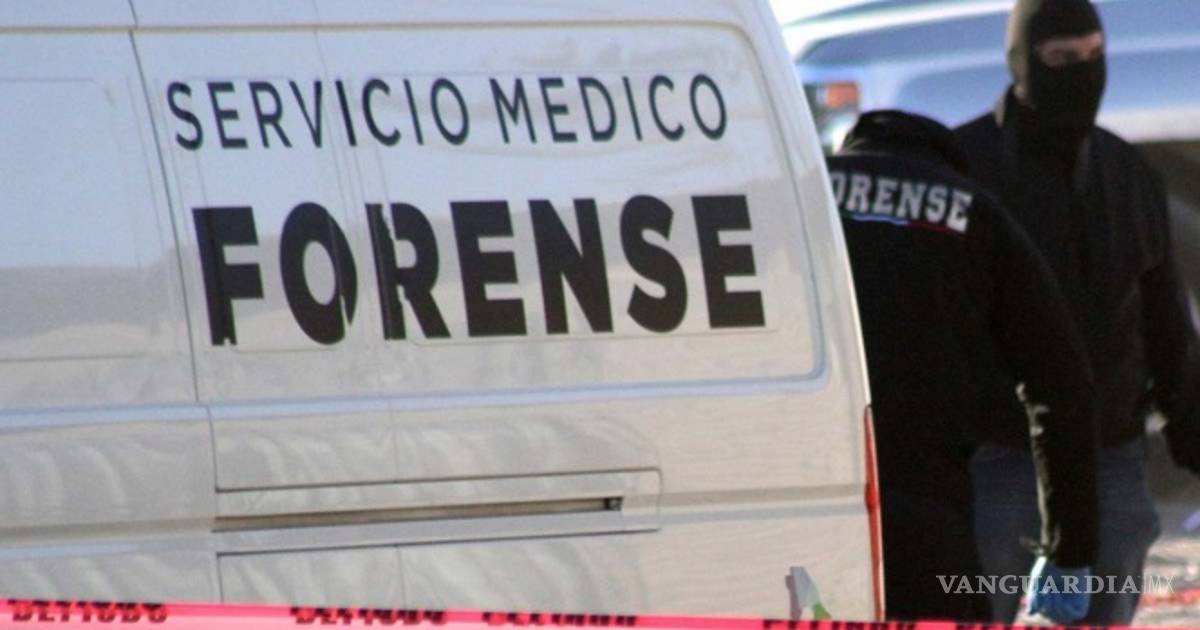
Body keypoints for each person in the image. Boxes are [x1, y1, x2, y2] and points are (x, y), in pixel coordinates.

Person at [954, 0, 1200, 624]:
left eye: (1094, 56)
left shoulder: (1126, 173)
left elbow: (1165, 321)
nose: (1082, 73)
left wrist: (1190, 431)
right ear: (1022, 61)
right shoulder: (966, 167)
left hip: (1110, 456)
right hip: (997, 456)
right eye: (1062, 58)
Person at [827, 110, 1100, 623]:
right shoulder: (976, 214)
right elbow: (1062, 387)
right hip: (928, 514)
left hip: (802, 505)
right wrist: (1069, 547)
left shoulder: (802, 197)